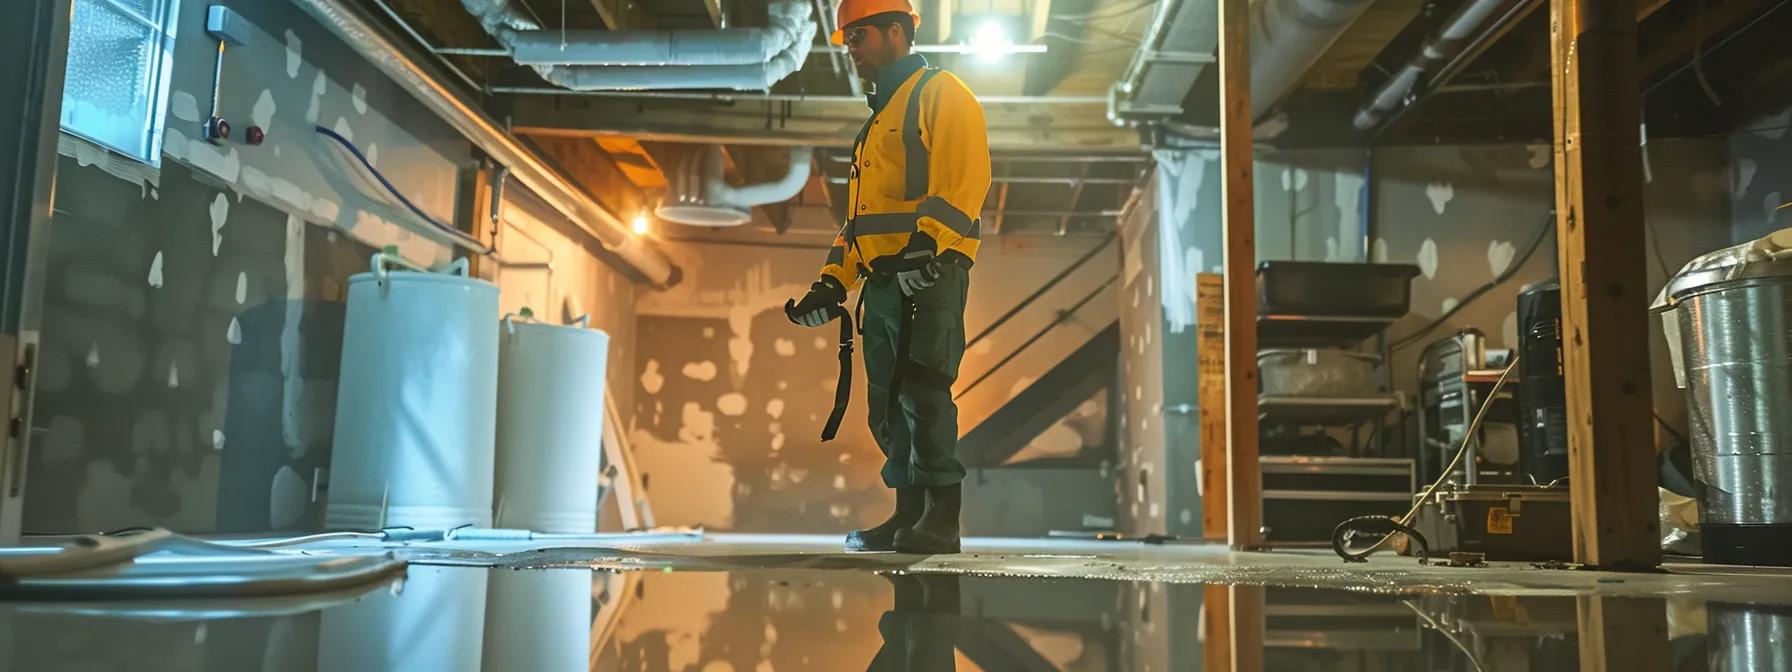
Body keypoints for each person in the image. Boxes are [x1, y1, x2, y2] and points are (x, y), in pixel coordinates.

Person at [785, 0, 991, 555]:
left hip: (928, 276)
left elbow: (965, 178)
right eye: (849, 40)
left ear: (896, 32)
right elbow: (861, 223)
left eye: (859, 36)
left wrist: (928, 246)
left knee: (924, 391)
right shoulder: (876, 124)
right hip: (881, 284)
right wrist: (832, 282)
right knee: (887, 402)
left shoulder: (940, 93)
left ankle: (941, 518)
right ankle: (907, 515)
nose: (850, 49)